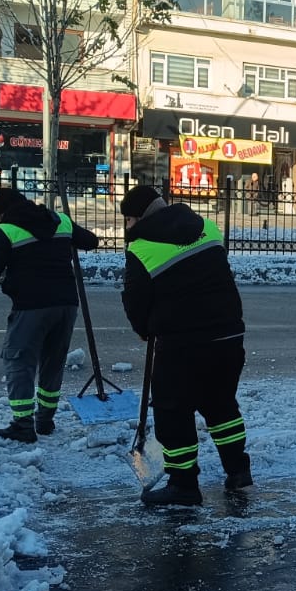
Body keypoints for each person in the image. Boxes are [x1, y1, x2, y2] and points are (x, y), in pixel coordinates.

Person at [120, 184, 251, 507]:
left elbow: (136, 300)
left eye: (127, 219)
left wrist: (143, 330)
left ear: (136, 218)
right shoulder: (207, 227)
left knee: (172, 411)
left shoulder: (141, 246)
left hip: (183, 343)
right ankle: (238, 470)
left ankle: (183, 485)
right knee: (222, 405)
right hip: (229, 334)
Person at [0, 187, 98, 442]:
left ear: (1, 212)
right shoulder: (60, 221)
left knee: (19, 362)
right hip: (67, 305)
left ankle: (23, 425)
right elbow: (91, 241)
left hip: (31, 306)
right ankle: (45, 421)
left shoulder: (5, 231)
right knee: (52, 362)